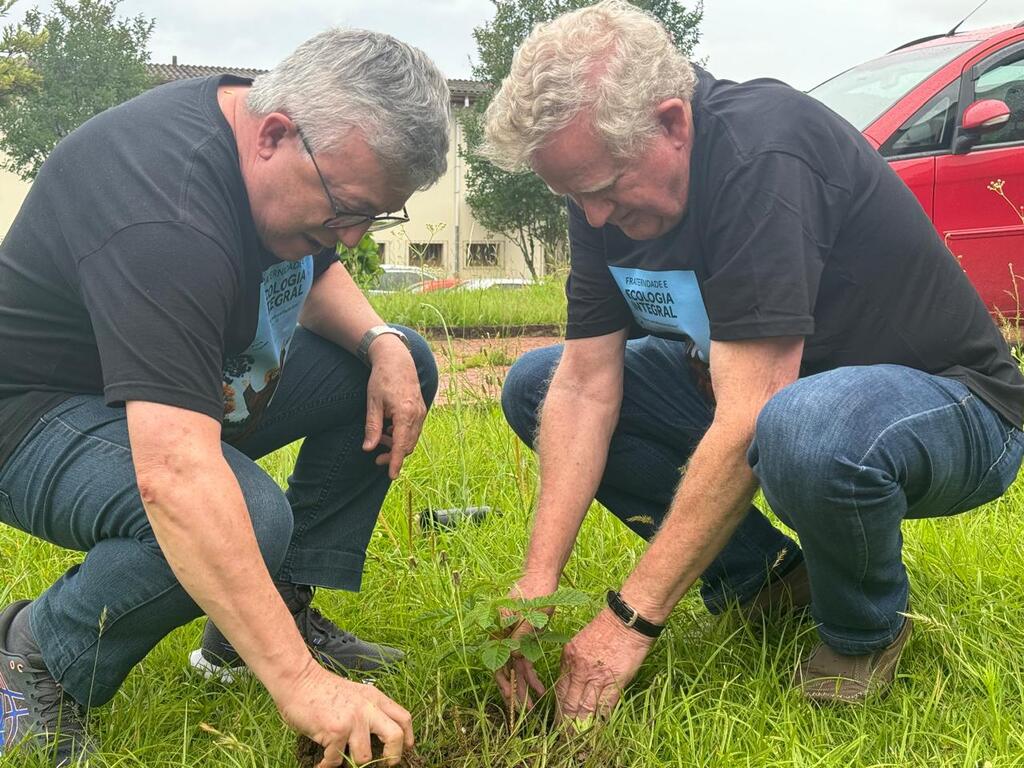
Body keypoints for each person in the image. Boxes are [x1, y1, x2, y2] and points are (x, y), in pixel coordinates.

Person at [483, 0, 1024, 720]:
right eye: (573, 198)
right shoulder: (601, 187)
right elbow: (583, 386)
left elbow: (750, 416)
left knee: (800, 424)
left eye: (603, 192)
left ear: (673, 123)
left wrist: (629, 622)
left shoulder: (760, 151)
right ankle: (764, 581)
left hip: (954, 409)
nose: (594, 219)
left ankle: (862, 631)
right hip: (787, 403)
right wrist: (536, 586)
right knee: (536, 384)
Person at [0, 27, 450, 767]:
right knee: (245, 512)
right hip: (39, 414)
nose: (353, 234)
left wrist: (382, 343)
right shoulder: (165, 210)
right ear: (273, 134)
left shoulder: (288, 147)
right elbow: (173, 474)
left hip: (189, 381)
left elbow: (317, 266)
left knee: (402, 360)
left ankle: (267, 616)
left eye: (375, 215)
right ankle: (39, 650)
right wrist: (301, 686)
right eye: (347, 210)